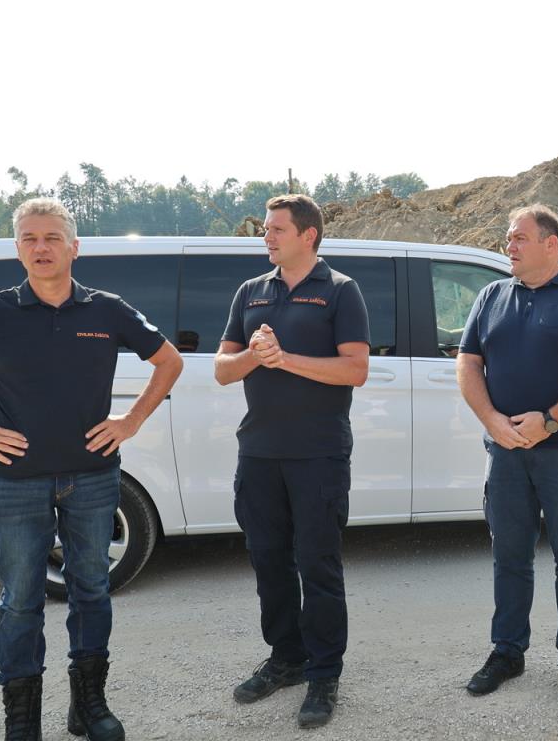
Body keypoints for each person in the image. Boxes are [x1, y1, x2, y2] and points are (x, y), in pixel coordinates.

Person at [0, 198, 183, 741]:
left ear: (74, 247)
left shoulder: (107, 310)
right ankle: (23, 718)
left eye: (52, 238)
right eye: (30, 238)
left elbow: (169, 361)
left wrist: (131, 420)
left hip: (94, 477)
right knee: (20, 602)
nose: (41, 247)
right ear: (17, 248)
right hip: (16, 482)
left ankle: (89, 705)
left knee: (92, 592)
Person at [456, 204, 558, 709]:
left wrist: (549, 420)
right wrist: (492, 421)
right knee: (509, 556)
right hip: (506, 452)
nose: (509, 246)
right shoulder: (491, 296)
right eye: (509, 238)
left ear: (552, 244)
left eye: (519, 238)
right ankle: (507, 652)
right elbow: (468, 364)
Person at [215, 194, 369, 730]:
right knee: (269, 562)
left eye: (276, 229)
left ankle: (324, 672)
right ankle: (286, 657)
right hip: (259, 452)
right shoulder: (250, 291)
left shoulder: (340, 290)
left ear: (308, 235)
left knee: (318, 566)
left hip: (318, 454)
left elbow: (355, 370)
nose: (267, 237)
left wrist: (284, 360)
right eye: (266, 229)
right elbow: (222, 370)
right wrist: (252, 356)